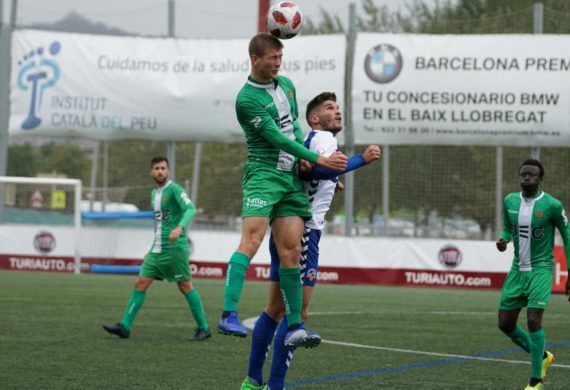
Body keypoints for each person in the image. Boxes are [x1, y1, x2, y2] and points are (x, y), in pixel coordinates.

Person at [241, 92, 381, 390]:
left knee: (274, 309)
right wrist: (362, 160)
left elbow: (308, 171)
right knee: (298, 314)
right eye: (330, 108)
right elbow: (320, 166)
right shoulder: (324, 139)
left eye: (338, 107)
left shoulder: (309, 140)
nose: (338, 112)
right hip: (304, 233)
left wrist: (330, 179)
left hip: (287, 226)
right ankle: (273, 386)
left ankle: (252, 382)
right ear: (315, 118)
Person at [217, 33, 347, 344]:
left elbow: (295, 129)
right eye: (272, 58)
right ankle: (227, 314)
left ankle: (293, 326)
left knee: (291, 252)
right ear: (255, 59)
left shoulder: (286, 84)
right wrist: (318, 158)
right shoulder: (246, 99)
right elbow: (277, 138)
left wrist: (310, 166)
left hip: (290, 180)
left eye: (280, 57)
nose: (277, 63)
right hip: (263, 175)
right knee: (252, 241)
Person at [103, 156, 210, 341]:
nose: (160, 171)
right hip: (157, 249)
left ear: (167, 171)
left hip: (175, 249)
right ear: (151, 172)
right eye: (156, 168)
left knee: (185, 286)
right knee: (140, 283)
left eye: (163, 168)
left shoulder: (175, 189)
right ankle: (125, 326)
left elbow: (191, 209)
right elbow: (160, 224)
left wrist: (179, 227)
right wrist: (152, 249)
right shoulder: (154, 194)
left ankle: (204, 328)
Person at [496, 159, 570, 390]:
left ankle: (536, 380)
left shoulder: (552, 205)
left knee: (533, 320)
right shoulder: (510, 200)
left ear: (540, 179)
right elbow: (508, 227)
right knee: (505, 323)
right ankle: (544, 356)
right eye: (523, 174)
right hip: (518, 269)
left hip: (541, 269)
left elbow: (567, 237)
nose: (527, 178)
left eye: (531, 175)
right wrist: (504, 239)